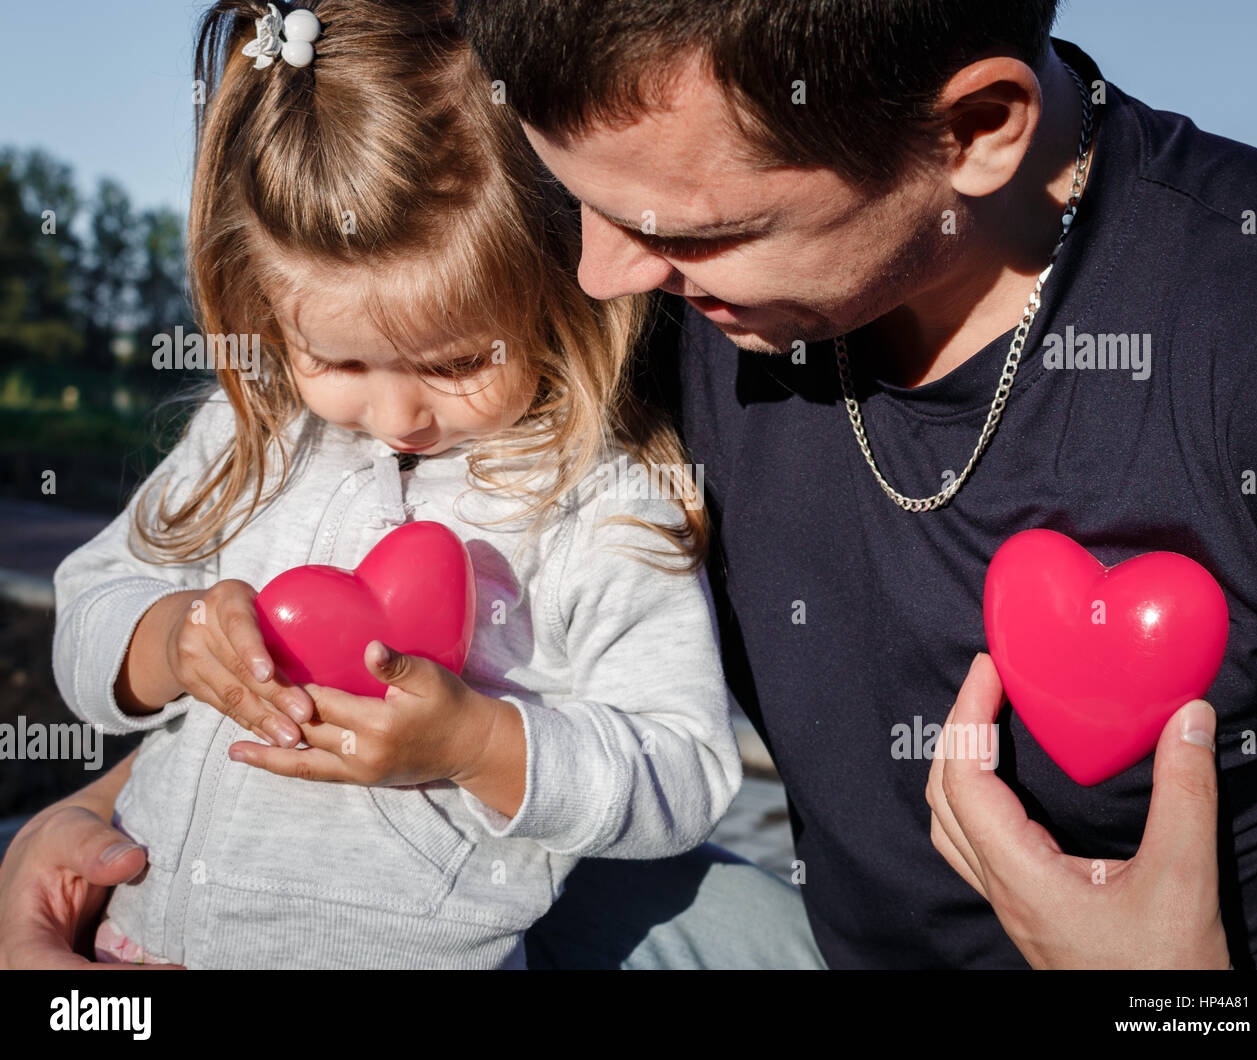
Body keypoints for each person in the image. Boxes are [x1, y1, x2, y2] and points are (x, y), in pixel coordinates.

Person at [453, 0, 1257, 968]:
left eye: (691, 234)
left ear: (976, 128)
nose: (599, 276)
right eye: (576, 199)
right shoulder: (656, 286)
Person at [23, 0, 749, 969]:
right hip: (143, 941)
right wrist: (175, 637)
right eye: (339, 361)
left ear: (544, 284)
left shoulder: (593, 499)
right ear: (267, 309)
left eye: (454, 363)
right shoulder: (251, 438)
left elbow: (685, 765)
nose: (400, 414)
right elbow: (89, 604)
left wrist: (478, 743)